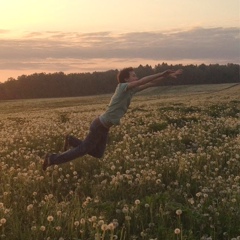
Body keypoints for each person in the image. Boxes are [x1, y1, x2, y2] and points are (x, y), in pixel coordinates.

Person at [42, 67, 183, 170]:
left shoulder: (131, 90)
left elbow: (149, 83)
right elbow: (143, 81)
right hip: (99, 125)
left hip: (104, 127)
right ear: (126, 79)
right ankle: (52, 158)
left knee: (98, 153)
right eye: (134, 76)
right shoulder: (122, 87)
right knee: (82, 150)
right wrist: (162, 72)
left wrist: (167, 76)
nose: (136, 78)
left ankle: (71, 140)